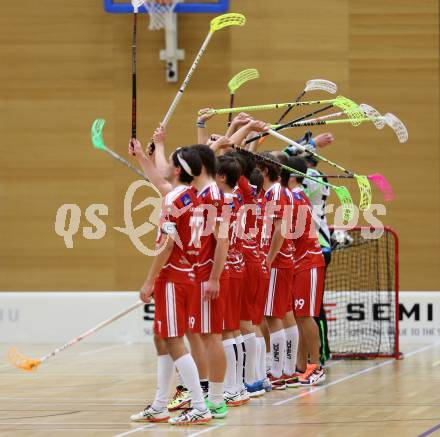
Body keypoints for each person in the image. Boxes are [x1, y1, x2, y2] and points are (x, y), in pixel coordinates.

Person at [128, 140, 213, 425]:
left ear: (177, 169)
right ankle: (160, 405)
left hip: (173, 277)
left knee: (174, 341)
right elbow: (161, 184)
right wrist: (142, 157)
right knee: (162, 338)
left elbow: (166, 245)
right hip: (185, 276)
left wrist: (149, 281)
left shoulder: (173, 200)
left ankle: (200, 406)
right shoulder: (191, 196)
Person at [285, 155, 326, 386]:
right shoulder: (294, 196)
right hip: (298, 263)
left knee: (305, 315)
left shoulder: (297, 199)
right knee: (299, 317)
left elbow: (291, 233)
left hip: (308, 262)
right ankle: (300, 366)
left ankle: (316, 365)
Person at [257, 152, 294, 390]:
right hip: (278, 261)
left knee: (272, 317)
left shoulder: (277, 193)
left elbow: (280, 229)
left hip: (278, 262)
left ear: (265, 171)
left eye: (257, 169)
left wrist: (268, 259)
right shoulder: (270, 193)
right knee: (277, 315)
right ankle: (284, 370)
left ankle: (278, 372)